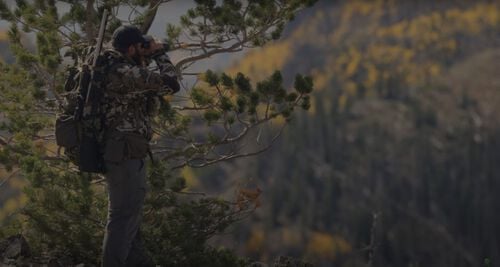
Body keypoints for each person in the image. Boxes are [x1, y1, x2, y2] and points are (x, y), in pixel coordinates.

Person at [100, 25, 180, 267]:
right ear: (132, 48)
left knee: (130, 213)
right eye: (140, 46)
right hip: (124, 152)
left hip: (125, 150)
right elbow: (170, 84)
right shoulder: (125, 72)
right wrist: (159, 55)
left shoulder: (117, 66)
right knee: (123, 215)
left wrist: (145, 56)